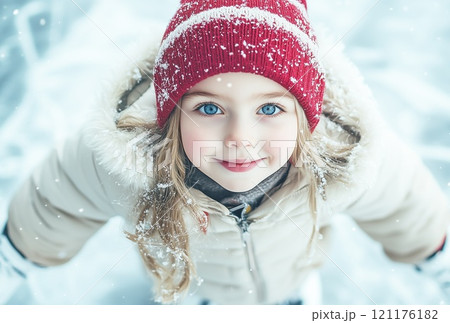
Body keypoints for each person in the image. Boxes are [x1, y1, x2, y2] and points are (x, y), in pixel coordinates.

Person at [1, 0, 450, 305]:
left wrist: (438, 258)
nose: (240, 138)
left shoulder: (341, 160)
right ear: (171, 113)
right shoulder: (120, 161)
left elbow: (411, 207)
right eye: (210, 108)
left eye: (270, 108)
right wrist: (12, 261)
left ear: (305, 119)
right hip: (184, 279)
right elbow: (51, 206)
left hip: (289, 279)